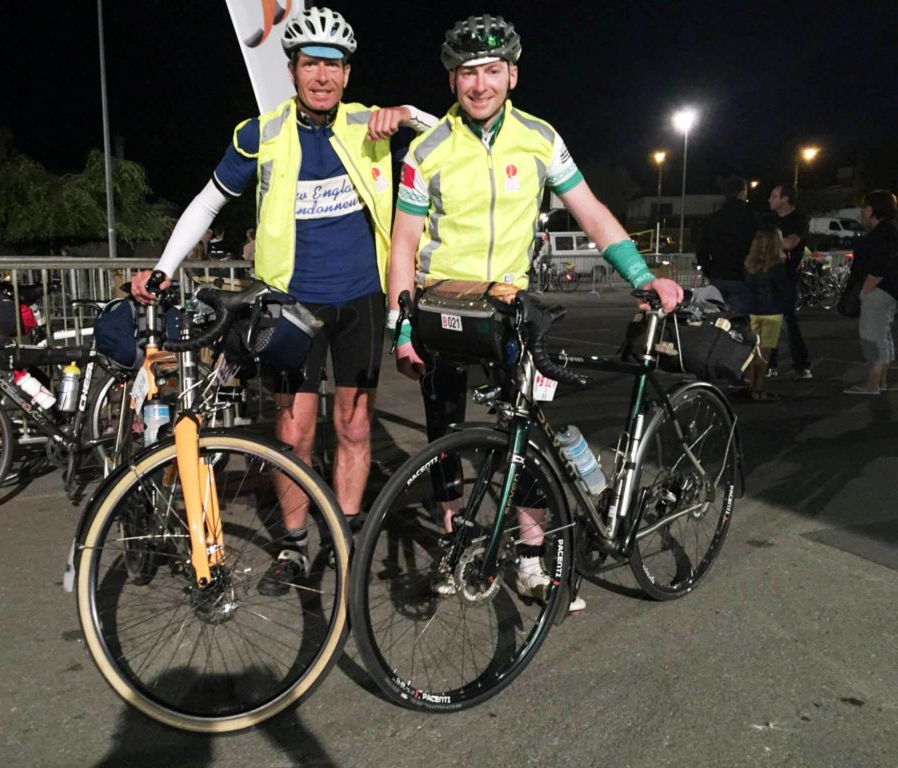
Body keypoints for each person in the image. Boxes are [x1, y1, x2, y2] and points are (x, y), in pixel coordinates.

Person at [130, 6, 435, 595]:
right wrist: (164, 268)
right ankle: (294, 548)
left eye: (334, 66)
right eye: (311, 64)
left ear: (348, 75)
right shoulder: (260, 133)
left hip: (361, 302)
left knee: (353, 426)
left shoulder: (370, 124)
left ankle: (343, 538)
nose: (322, 76)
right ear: (293, 70)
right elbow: (206, 204)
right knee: (293, 435)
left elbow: (445, 134)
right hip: (291, 307)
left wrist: (408, 113)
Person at [387, 14, 683, 609]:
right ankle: (455, 548)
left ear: (512, 75)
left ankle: (529, 555)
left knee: (528, 432)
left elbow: (591, 211)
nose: (479, 85)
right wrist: (401, 326)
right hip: (443, 306)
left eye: (491, 71)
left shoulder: (541, 138)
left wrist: (641, 274)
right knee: (444, 436)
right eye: (467, 73)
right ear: (452, 81)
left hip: (511, 308)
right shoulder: (427, 149)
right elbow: (403, 243)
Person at [844, 190, 898, 395]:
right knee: (882, 335)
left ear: (874, 209)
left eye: (865, 207)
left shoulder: (883, 233)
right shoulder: (888, 230)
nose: (862, 211)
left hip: (878, 290)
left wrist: (865, 288)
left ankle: (873, 384)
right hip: (884, 290)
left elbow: (880, 265)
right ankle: (880, 381)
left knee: (872, 337)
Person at [767, 183, 812, 378]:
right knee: (769, 319)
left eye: (774, 196)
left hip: (786, 277)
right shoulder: (769, 219)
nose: (770, 199)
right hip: (768, 275)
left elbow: (790, 243)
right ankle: (770, 363)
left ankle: (801, 364)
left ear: (785, 199)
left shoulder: (798, 219)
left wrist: (774, 235)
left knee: (788, 320)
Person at [696, 175, 758, 317]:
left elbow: (701, 248)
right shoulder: (751, 218)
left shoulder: (713, 219)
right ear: (743, 192)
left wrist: (708, 269)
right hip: (742, 275)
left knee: (716, 317)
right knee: (739, 319)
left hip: (718, 273)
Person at [744, 225, 788, 401]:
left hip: (753, 311)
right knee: (765, 353)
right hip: (772, 312)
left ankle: (750, 384)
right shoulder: (778, 265)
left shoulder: (749, 264)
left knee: (753, 351)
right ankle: (758, 388)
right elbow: (782, 290)